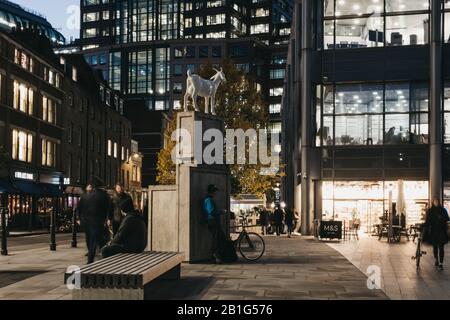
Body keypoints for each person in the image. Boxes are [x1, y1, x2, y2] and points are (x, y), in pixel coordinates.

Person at [77, 181, 113, 264]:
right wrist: (108, 219)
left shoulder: (86, 195)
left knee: (90, 239)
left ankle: (96, 256)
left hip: (86, 222)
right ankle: (93, 259)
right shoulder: (104, 196)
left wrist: (79, 219)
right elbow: (109, 208)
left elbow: (79, 208)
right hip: (98, 221)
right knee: (98, 239)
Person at [202, 184, 225, 263]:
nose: (216, 193)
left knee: (219, 238)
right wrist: (221, 212)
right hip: (212, 221)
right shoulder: (209, 200)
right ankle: (216, 255)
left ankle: (216, 255)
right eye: (215, 191)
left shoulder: (209, 199)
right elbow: (211, 212)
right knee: (217, 238)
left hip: (213, 221)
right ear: (212, 192)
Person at [425, 199, 450, 270]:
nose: (436, 203)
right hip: (434, 232)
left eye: (437, 202)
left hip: (442, 231)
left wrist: (441, 218)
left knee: (441, 247)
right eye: (435, 201)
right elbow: (428, 221)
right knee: (435, 247)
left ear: (439, 202)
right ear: (433, 202)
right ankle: (436, 259)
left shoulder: (443, 210)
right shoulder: (430, 211)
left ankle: (441, 263)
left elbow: (447, 218)